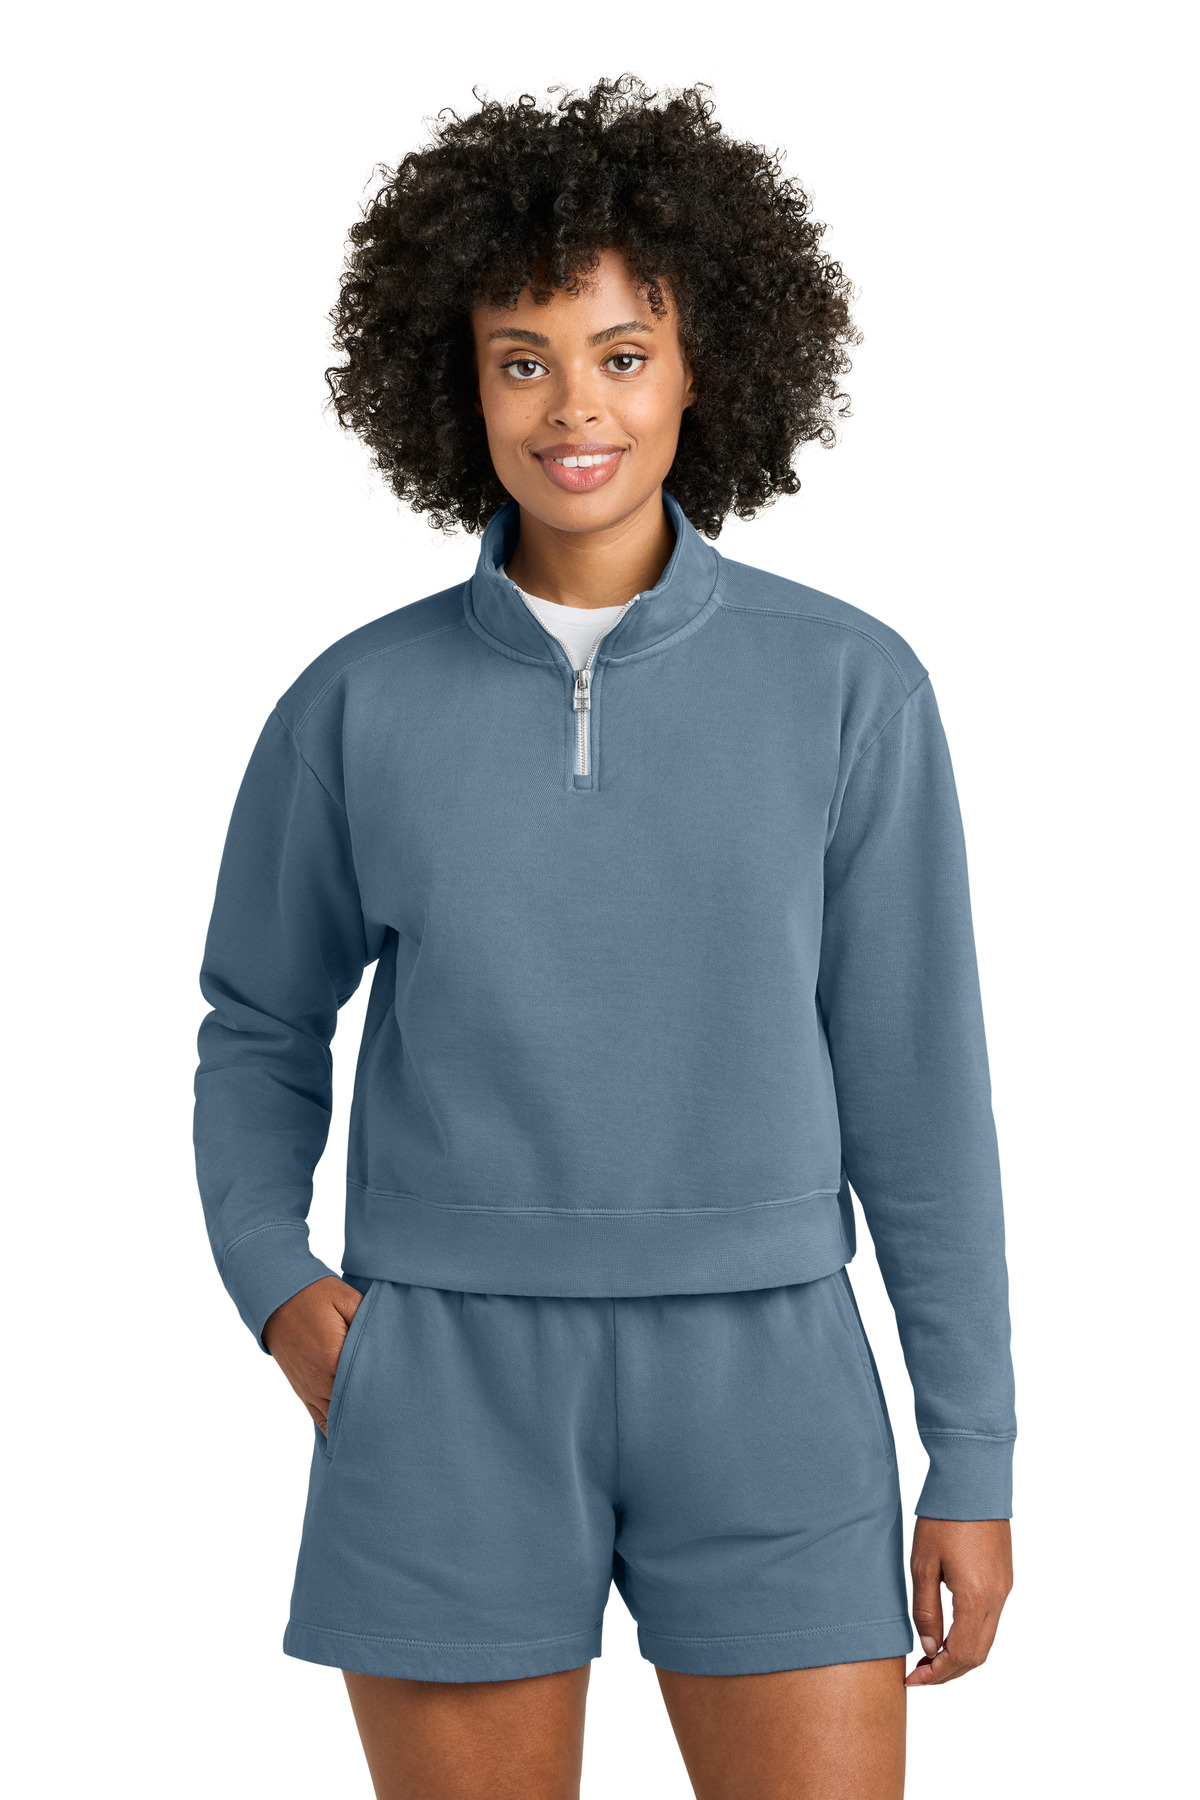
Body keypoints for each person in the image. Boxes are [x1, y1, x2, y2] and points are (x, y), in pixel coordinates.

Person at [193, 75, 1015, 1800]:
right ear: (459, 384)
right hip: (446, 1374)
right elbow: (258, 1024)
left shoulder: (849, 686)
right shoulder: (354, 705)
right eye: (523, 359)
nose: (576, 405)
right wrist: (278, 1284)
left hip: (772, 1370)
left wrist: (973, 1450)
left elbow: (919, 1086)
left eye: (623, 353)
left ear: (705, 368)